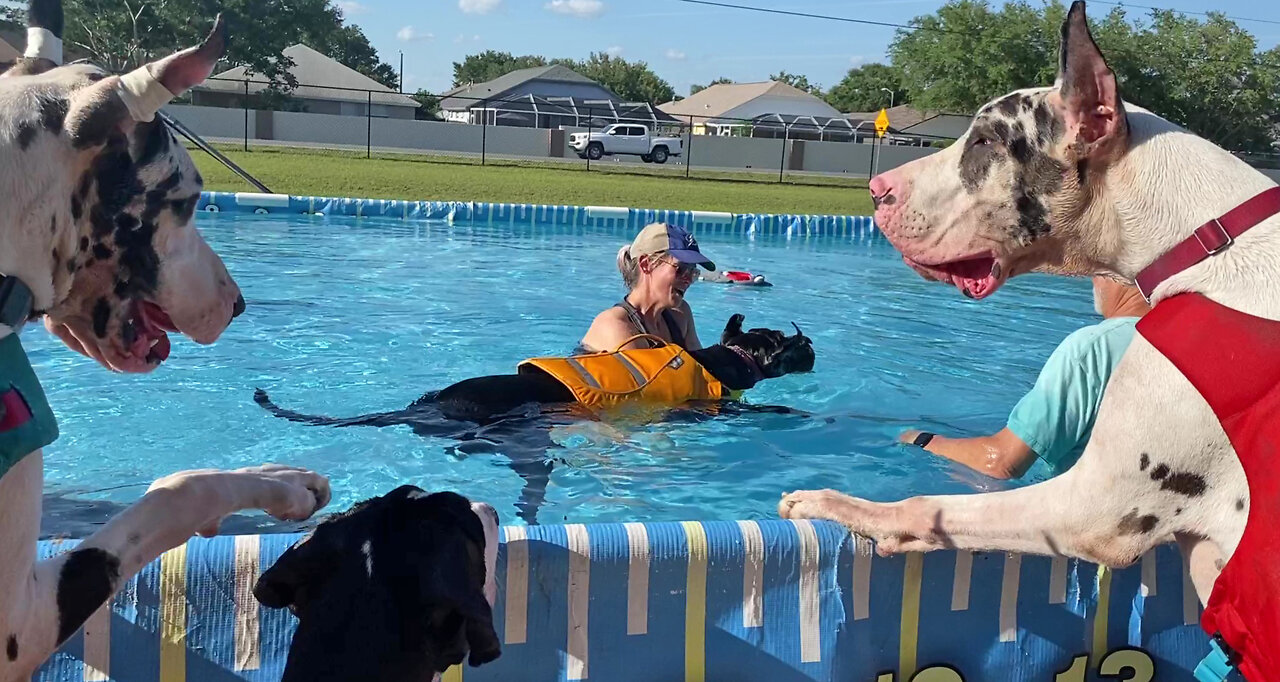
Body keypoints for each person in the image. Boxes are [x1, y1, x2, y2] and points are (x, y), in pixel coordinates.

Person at [899, 276, 1152, 479]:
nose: (1092, 279)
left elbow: (1002, 462)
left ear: (1120, 271)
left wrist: (921, 440)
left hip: (1089, 524)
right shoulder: (1185, 337)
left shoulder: (1092, 348)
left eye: (1098, 268)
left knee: (979, 479)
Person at [578, 222, 716, 353]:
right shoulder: (616, 326)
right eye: (681, 269)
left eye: (693, 272)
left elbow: (703, 369)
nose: (688, 280)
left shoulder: (680, 315)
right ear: (646, 264)